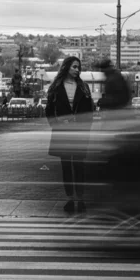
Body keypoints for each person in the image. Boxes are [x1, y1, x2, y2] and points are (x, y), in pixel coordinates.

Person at [45, 56, 94, 214]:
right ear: (66, 67)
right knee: (66, 167)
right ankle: (70, 199)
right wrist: (57, 123)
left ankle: (80, 199)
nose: (77, 70)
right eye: (74, 67)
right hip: (62, 133)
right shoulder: (56, 87)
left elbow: (90, 111)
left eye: (78, 67)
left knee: (79, 166)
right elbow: (49, 111)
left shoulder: (84, 87)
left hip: (80, 133)